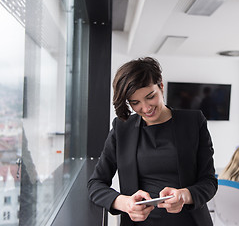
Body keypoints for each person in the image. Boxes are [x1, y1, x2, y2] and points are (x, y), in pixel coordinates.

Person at [87, 57, 218, 226]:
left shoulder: (194, 122)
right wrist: (125, 203)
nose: (146, 108)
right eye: (135, 103)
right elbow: (95, 184)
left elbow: (209, 182)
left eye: (150, 97)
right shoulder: (122, 128)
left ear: (161, 86)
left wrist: (185, 195)